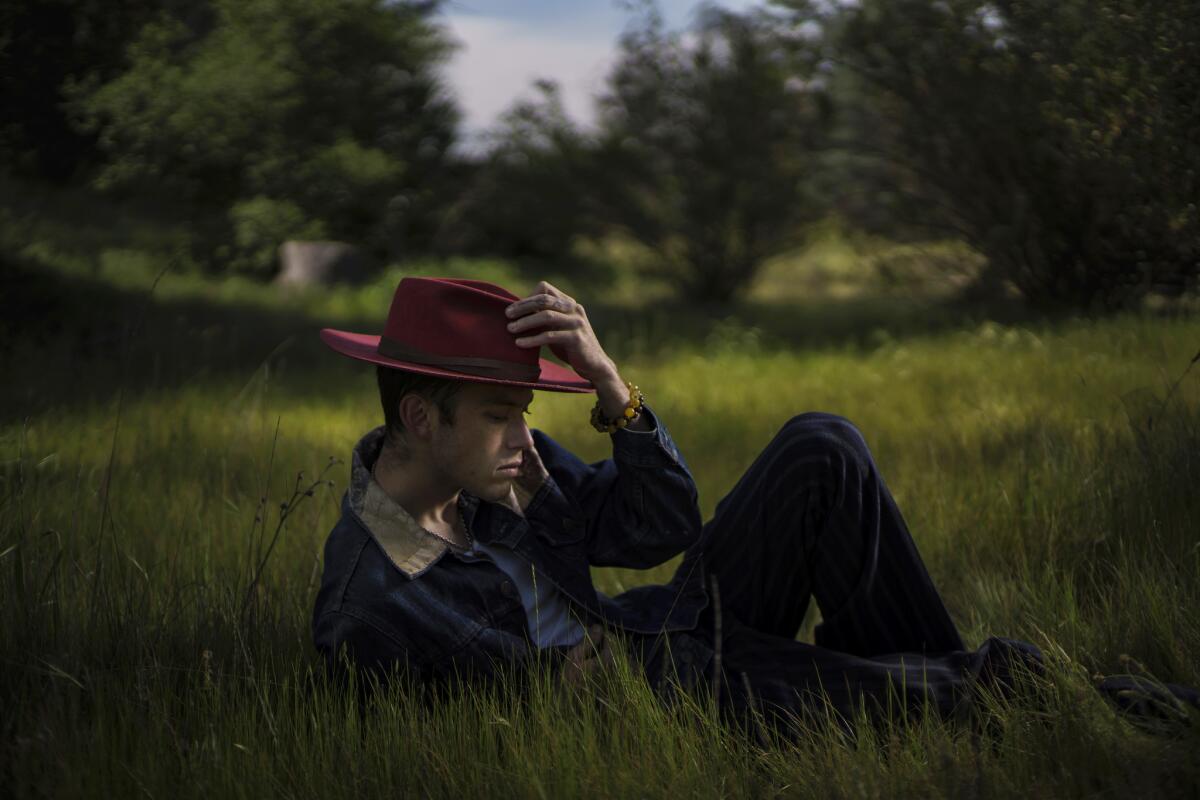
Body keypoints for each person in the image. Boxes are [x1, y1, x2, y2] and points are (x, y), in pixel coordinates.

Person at [312, 276, 1198, 742]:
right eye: (502, 415)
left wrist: (609, 384)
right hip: (664, 698)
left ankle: (922, 701)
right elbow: (556, 696)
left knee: (824, 445)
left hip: (658, 635)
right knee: (967, 687)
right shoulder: (378, 599)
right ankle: (1131, 712)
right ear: (421, 418)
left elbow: (655, 530)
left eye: (524, 414)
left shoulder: (490, 471)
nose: (522, 437)